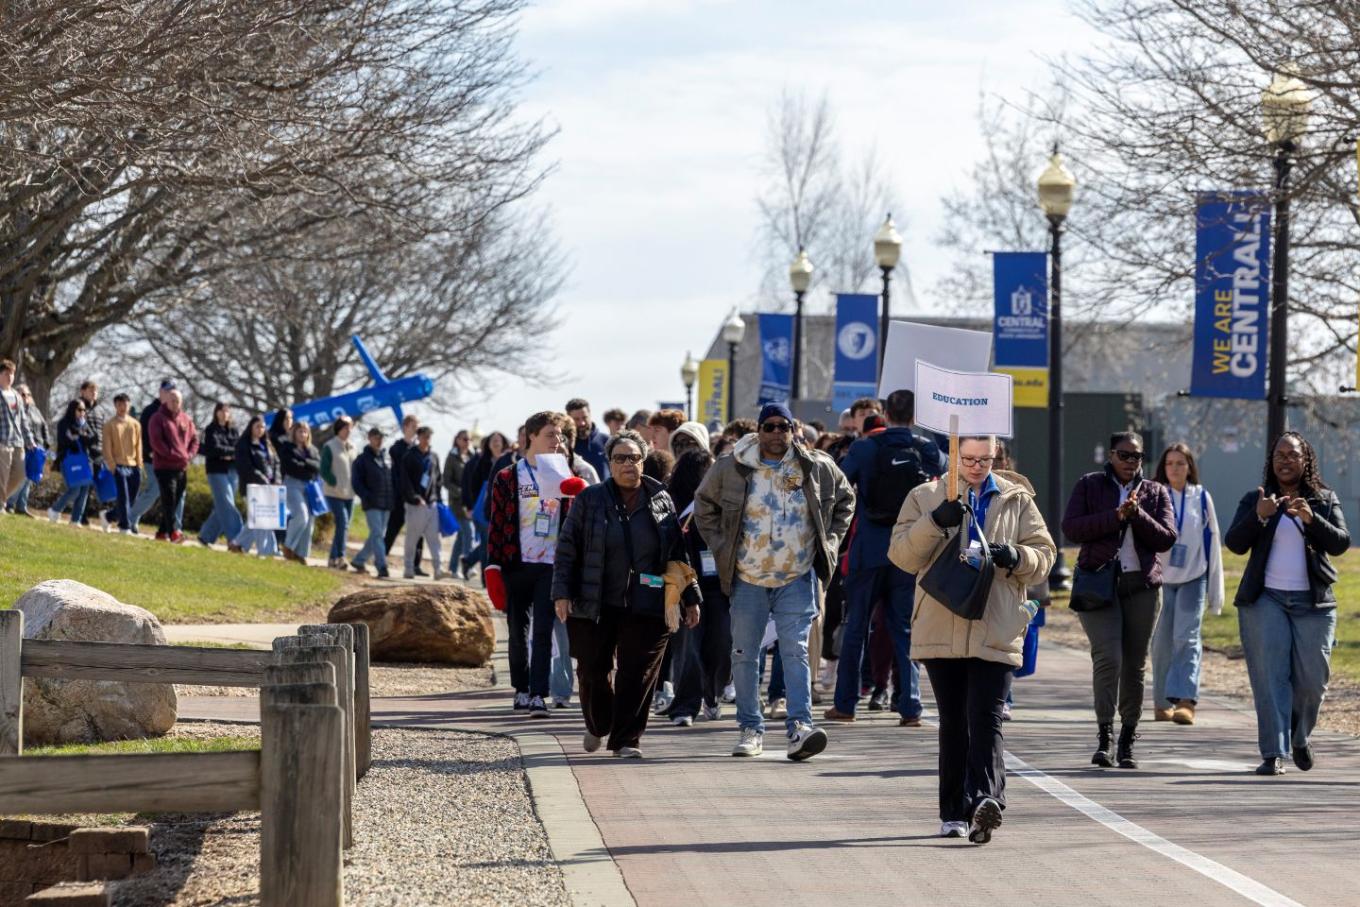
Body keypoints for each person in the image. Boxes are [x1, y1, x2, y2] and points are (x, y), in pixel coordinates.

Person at [890, 435, 1056, 843]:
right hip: (941, 618)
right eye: (968, 458)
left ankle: (986, 801)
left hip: (995, 621)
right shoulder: (925, 495)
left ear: (996, 455)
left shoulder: (1018, 499)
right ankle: (953, 812)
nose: (977, 466)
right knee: (953, 723)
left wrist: (1017, 557)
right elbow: (901, 556)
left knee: (987, 717)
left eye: (985, 458)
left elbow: (1045, 555)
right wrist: (936, 522)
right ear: (953, 455)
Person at [694, 402, 855, 761]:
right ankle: (750, 728)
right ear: (758, 430)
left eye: (784, 426)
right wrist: (722, 547)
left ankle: (800, 727)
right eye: (770, 426)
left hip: (796, 574)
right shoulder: (731, 467)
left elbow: (846, 500)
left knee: (795, 650)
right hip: (747, 575)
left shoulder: (816, 465)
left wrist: (828, 542)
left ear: (793, 429)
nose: (777, 433)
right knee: (745, 654)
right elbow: (704, 505)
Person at [552, 430, 701, 757]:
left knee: (638, 675)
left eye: (634, 457)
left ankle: (626, 739)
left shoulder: (660, 497)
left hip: (647, 602)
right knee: (592, 671)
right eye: (620, 458)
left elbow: (677, 550)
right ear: (609, 463)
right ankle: (598, 724)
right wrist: (561, 593)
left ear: (643, 460)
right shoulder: (590, 499)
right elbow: (566, 549)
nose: (628, 464)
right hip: (596, 601)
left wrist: (691, 597)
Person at [1224, 431, 1350, 776]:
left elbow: (1341, 543)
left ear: (1305, 459)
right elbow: (1234, 542)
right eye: (1279, 455)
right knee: (1270, 677)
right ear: (1271, 461)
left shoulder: (1324, 499)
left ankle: (1299, 736)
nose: (1285, 460)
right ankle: (1273, 752)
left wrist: (1312, 519)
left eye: (1292, 454)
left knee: (1313, 679)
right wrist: (1259, 516)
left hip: (1314, 602)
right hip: (1266, 600)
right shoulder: (1257, 499)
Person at [826, 389, 944, 727]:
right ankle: (911, 707)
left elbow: (839, 483)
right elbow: (950, 467)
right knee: (905, 628)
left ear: (886, 413)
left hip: (870, 549)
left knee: (856, 627)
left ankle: (845, 705)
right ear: (913, 415)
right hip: (910, 549)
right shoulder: (924, 449)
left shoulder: (865, 448)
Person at [1062, 431, 1177, 769]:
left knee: (1135, 664)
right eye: (1124, 455)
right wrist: (1115, 516)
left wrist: (1137, 514)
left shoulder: (1156, 492)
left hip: (1141, 586)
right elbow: (1071, 528)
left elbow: (1166, 538)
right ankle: (1104, 737)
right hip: (1099, 584)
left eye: (1136, 456)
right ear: (1110, 455)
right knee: (1108, 658)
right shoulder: (1090, 485)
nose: (1130, 462)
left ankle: (1127, 738)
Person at [486, 412, 572, 716]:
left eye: (560, 435)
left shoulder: (563, 474)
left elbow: (572, 520)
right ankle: (520, 689)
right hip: (515, 562)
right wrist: (492, 566)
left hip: (550, 563)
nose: (557, 441)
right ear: (531, 437)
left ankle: (539, 693)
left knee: (543, 630)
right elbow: (495, 522)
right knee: (517, 629)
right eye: (550, 434)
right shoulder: (509, 476)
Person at [1150, 443, 1225, 725]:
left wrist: (1216, 592)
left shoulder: (1202, 497)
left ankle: (1185, 700)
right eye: (1170, 463)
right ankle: (1161, 702)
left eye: (1181, 463)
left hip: (1195, 576)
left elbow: (1213, 542)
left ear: (1190, 467)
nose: (1175, 468)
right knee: (1161, 643)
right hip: (1161, 580)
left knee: (1187, 637)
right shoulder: (1156, 495)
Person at [663, 447, 729, 726]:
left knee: (723, 644)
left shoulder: (723, 501)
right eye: (708, 469)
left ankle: (711, 695)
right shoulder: (675, 505)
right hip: (689, 585)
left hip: (720, 586)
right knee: (689, 648)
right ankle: (684, 707)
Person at [147, 389, 199, 543]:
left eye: (177, 400)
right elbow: (156, 441)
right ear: (165, 401)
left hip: (182, 467)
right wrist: (171, 454)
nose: (174, 403)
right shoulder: (157, 418)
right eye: (172, 400)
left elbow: (195, 440)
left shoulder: (186, 419)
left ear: (181, 402)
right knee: (169, 499)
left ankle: (162, 532)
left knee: (175, 501)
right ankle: (173, 533)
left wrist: (188, 455)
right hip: (164, 466)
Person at [128, 382, 179, 534]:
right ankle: (129, 517)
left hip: (168, 462)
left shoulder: (173, 412)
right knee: (155, 489)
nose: (170, 394)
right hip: (150, 459)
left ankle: (132, 519)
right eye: (168, 391)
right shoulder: (150, 411)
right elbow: (143, 435)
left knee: (162, 491)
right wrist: (150, 451)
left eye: (173, 392)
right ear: (161, 392)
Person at [400, 425, 446, 581]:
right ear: (418, 437)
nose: (427, 439)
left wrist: (438, 499)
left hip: (431, 504)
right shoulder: (409, 456)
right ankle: (408, 568)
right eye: (424, 436)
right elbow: (404, 481)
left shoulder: (434, 456)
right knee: (412, 539)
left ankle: (438, 569)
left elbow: (438, 479)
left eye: (429, 436)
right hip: (415, 504)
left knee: (434, 540)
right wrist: (414, 497)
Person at [232, 415, 280, 557]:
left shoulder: (267, 445)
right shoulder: (243, 445)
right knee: (260, 519)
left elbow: (276, 463)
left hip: (270, 488)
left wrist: (276, 479)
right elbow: (246, 467)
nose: (260, 430)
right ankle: (265, 550)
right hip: (253, 487)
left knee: (260, 519)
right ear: (251, 428)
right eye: (257, 427)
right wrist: (263, 479)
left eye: (263, 427)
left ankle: (237, 543)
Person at [464, 430, 509, 580]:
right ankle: (485, 579)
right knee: (485, 543)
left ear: (503, 443)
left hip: (504, 507)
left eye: (498, 440)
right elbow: (473, 486)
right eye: (493, 440)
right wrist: (472, 506)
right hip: (484, 509)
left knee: (498, 542)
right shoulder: (481, 462)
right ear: (488, 444)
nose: (496, 443)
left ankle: (468, 560)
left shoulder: (509, 460)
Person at [350, 426, 394, 578]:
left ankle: (359, 560)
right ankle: (382, 565)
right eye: (376, 437)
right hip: (372, 504)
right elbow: (356, 482)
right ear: (369, 438)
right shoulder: (362, 460)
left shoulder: (386, 458)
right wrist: (366, 496)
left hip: (386, 503)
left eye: (381, 437)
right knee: (377, 535)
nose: (379, 440)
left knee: (377, 535)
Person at [198, 402, 243, 548]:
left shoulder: (234, 430)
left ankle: (206, 536)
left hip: (233, 470)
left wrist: (227, 454)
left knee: (222, 506)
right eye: (221, 411)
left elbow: (238, 448)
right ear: (216, 412)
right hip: (216, 471)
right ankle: (236, 538)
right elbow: (214, 449)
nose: (224, 414)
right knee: (227, 503)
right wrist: (229, 453)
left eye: (227, 411)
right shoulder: (211, 430)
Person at [384, 415, 424, 573]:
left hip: (416, 498)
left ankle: (416, 565)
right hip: (400, 496)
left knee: (418, 532)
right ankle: (382, 558)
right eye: (414, 426)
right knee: (393, 529)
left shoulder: (419, 449)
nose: (416, 430)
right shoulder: (397, 448)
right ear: (405, 427)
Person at [48, 399, 98, 526]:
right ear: (72, 409)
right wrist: (82, 436)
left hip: (86, 461)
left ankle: (76, 520)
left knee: (84, 490)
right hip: (69, 460)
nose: (82, 413)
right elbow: (68, 440)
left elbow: (93, 439)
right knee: (75, 489)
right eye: (79, 410)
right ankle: (55, 509)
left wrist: (83, 433)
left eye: (84, 410)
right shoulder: (64, 423)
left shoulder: (84, 424)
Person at [277, 421, 321, 563]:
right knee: (301, 515)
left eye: (305, 431)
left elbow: (318, 466)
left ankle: (301, 554)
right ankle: (288, 547)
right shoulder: (287, 448)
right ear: (294, 432)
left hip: (309, 486)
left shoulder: (313, 450)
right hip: (292, 484)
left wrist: (304, 462)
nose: (303, 434)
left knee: (309, 522)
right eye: (300, 431)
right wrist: (308, 465)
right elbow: (291, 466)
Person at [101, 393, 143, 535]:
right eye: (119, 404)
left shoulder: (135, 424)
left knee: (131, 499)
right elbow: (106, 448)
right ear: (115, 406)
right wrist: (112, 466)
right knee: (123, 497)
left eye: (125, 404)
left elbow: (138, 446)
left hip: (133, 466)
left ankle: (108, 516)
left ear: (129, 405)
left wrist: (139, 464)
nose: (122, 407)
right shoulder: (109, 425)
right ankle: (124, 526)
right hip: (118, 465)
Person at [320, 416, 358, 570]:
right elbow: (324, 470)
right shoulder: (330, 446)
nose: (348, 431)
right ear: (339, 429)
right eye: (345, 428)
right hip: (334, 493)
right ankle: (341, 556)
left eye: (350, 428)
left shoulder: (353, 447)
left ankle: (332, 559)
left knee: (344, 526)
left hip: (350, 494)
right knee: (342, 523)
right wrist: (333, 482)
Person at [6, 384, 47, 516]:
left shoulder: (35, 410)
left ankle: (22, 506)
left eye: (28, 394)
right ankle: (9, 503)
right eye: (23, 394)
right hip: (22, 447)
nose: (26, 397)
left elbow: (43, 426)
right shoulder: (14, 409)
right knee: (21, 477)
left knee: (29, 478)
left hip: (37, 449)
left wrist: (46, 444)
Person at [0, 359, 36, 508]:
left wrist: (30, 440)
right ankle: (1, 505)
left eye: (12, 373)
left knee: (20, 475)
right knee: (2, 476)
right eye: (6, 373)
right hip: (2, 441)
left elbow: (24, 421)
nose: (10, 376)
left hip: (18, 442)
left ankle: (1, 499)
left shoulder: (16, 396)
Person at [443, 430, 474, 578]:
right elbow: (446, 481)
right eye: (464, 439)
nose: (467, 442)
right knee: (468, 532)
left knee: (461, 536)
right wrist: (460, 491)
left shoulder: (473, 456)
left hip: (470, 502)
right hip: (456, 502)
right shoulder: (452, 457)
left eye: (469, 439)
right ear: (457, 440)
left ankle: (453, 568)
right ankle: (468, 563)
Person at [566, 398, 609, 478]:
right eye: (576, 419)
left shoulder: (607, 441)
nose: (582, 423)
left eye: (584, 417)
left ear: (590, 415)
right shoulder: (564, 445)